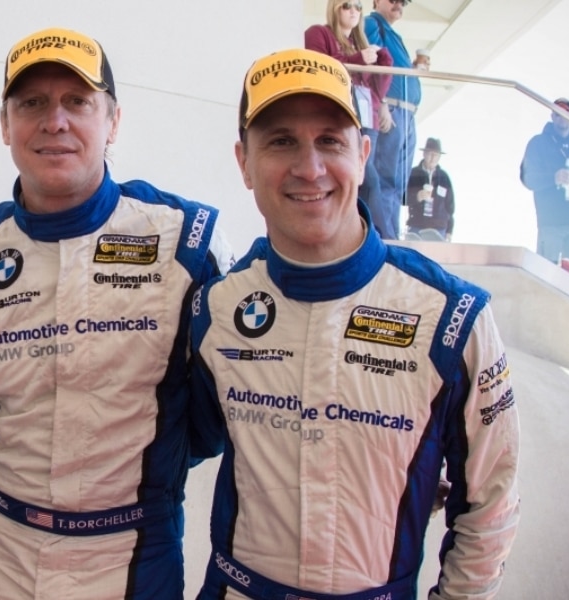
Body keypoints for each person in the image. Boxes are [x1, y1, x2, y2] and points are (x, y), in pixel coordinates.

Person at [190, 48, 520, 599]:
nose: (309, 168)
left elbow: (491, 505)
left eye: (330, 141)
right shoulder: (218, 308)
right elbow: (173, 439)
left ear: (363, 155)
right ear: (243, 162)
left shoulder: (453, 316)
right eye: (281, 141)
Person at [0, 26, 233, 600]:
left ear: (113, 121)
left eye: (78, 102)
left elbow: (213, 418)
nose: (55, 121)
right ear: (5, 124)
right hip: (1, 562)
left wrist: (144, 472)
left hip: (135, 560)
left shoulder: (184, 242)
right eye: (31, 103)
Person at [305, 0, 391, 235]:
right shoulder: (319, 33)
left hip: (367, 118)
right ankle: (382, 236)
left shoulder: (361, 43)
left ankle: (362, 232)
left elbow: (377, 90)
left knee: (367, 179)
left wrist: (384, 60)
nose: (354, 11)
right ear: (335, 8)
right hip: (340, 116)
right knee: (367, 179)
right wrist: (358, 59)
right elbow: (319, 69)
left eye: (358, 6)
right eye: (347, 5)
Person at [520, 97, 569, 274]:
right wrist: (553, 178)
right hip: (550, 223)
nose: (562, 117)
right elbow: (527, 178)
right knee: (544, 275)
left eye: (566, 113)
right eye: (557, 113)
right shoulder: (538, 144)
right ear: (552, 116)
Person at [366, 0, 422, 240]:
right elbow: (372, 66)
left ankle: (391, 235)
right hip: (392, 109)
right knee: (384, 178)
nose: (399, 4)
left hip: (406, 114)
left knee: (398, 183)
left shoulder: (393, 35)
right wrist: (382, 103)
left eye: (403, 2)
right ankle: (383, 237)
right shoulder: (372, 24)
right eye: (393, 0)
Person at [405, 137, 455, 241]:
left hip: (439, 229)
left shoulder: (444, 177)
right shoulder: (413, 174)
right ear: (424, 154)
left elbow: (450, 207)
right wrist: (417, 197)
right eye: (430, 154)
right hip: (416, 226)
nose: (433, 158)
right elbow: (401, 198)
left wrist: (449, 231)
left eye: (436, 155)